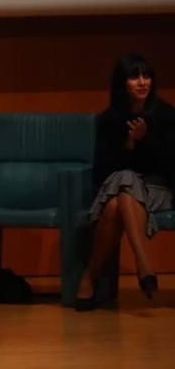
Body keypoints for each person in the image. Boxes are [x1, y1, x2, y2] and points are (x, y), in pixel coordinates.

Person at [75, 53, 174, 310]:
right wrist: (129, 144)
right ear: (122, 83)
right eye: (134, 77)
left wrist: (146, 140)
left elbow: (170, 166)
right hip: (118, 188)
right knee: (123, 184)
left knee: (118, 199)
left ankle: (90, 276)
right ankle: (144, 266)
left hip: (158, 189)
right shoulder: (108, 120)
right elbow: (101, 173)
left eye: (147, 76)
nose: (143, 82)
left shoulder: (166, 115)